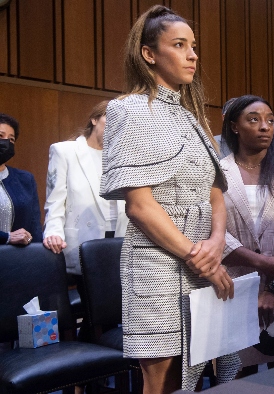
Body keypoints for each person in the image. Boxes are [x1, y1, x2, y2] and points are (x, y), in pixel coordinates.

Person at [99, 6, 237, 392]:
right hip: (157, 262)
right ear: (149, 54)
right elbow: (140, 206)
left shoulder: (192, 116)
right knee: (160, 378)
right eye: (180, 45)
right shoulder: (128, 109)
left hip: (202, 256)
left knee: (192, 374)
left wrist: (215, 242)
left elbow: (216, 192)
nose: (193, 55)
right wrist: (202, 258)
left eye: (194, 46)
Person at [219, 95, 274, 374]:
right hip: (232, 289)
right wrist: (261, 263)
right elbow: (213, 231)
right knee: (236, 377)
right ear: (234, 126)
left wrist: (272, 289)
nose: (264, 126)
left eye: (270, 120)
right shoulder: (218, 173)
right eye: (253, 119)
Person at [43, 101, 129, 274]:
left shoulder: (122, 157)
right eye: (110, 118)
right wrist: (53, 231)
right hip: (84, 236)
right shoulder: (65, 151)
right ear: (94, 120)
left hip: (119, 237)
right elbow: (55, 200)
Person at [0, 113, 42, 246]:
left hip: (18, 260)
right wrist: (6, 237)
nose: (6, 142)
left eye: (11, 139)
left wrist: (38, 255)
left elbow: (34, 225)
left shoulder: (25, 179)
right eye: (0, 136)